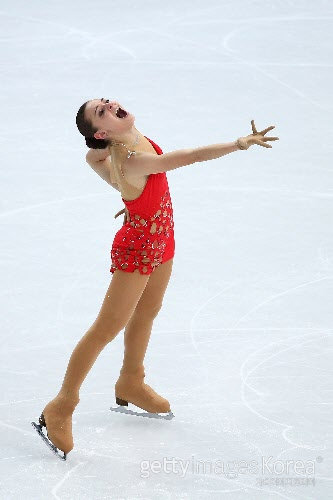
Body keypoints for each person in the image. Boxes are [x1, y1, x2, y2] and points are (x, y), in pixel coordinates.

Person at [32, 98, 279, 459]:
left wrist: (130, 197)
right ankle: (61, 405)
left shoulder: (125, 142)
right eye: (101, 112)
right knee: (106, 327)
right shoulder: (133, 159)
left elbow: (93, 158)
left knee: (148, 311)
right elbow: (190, 156)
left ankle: (132, 380)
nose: (109, 104)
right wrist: (238, 144)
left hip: (162, 234)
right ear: (101, 131)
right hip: (140, 246)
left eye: (105, 101)